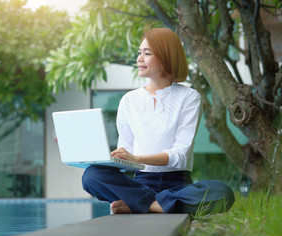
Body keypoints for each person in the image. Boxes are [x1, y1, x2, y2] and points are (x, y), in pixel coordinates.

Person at [82, 28, 235, 214]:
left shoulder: (189, 97)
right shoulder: (128, 100)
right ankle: (155, 204)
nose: (139, 58)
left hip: (178, 185)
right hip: (140, 184)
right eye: (139, 53)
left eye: (147, 53)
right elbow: (127, 151)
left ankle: (145, 205)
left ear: (165, 57)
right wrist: (112, 159)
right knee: (91, 175)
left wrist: (137, 159)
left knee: (223, 192)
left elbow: (179, 156)